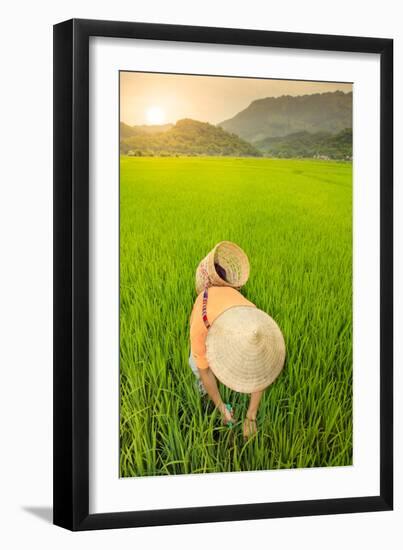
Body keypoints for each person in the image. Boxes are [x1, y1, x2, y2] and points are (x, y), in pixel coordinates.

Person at [189, 243, 286, 439]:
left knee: (249, 363)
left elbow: (261, 368)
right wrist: (221, 407)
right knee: (197, 365)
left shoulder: (253, 319)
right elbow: (205, 370)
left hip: (232, 321)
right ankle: (204, 393)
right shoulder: (201, 321)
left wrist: (251, 417)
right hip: (207, 323)